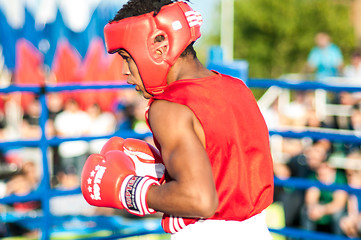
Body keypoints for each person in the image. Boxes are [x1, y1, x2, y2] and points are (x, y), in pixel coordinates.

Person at [81, 1, 274, 239]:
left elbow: (200, 200)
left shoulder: (168, 107)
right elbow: (226, 172)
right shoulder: (238, 88)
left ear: (157, 49)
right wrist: (167, 176)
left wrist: (129, 189)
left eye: (126, 57)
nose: (124, 71)